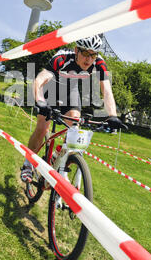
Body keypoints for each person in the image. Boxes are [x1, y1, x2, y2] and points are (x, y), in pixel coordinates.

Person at [20, 34, 127, 182]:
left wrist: (113, 115)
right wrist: (39, 100)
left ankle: (59, 155)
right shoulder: (62, 58)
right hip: (51, 90)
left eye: (93, 55)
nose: (89, 59)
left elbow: (107, 90)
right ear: (76, 50)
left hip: (71, 92)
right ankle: (27, 165)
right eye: (85, 53)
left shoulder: (99, 63)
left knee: (75, 124)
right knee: (43, 128)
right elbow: (40, 78)